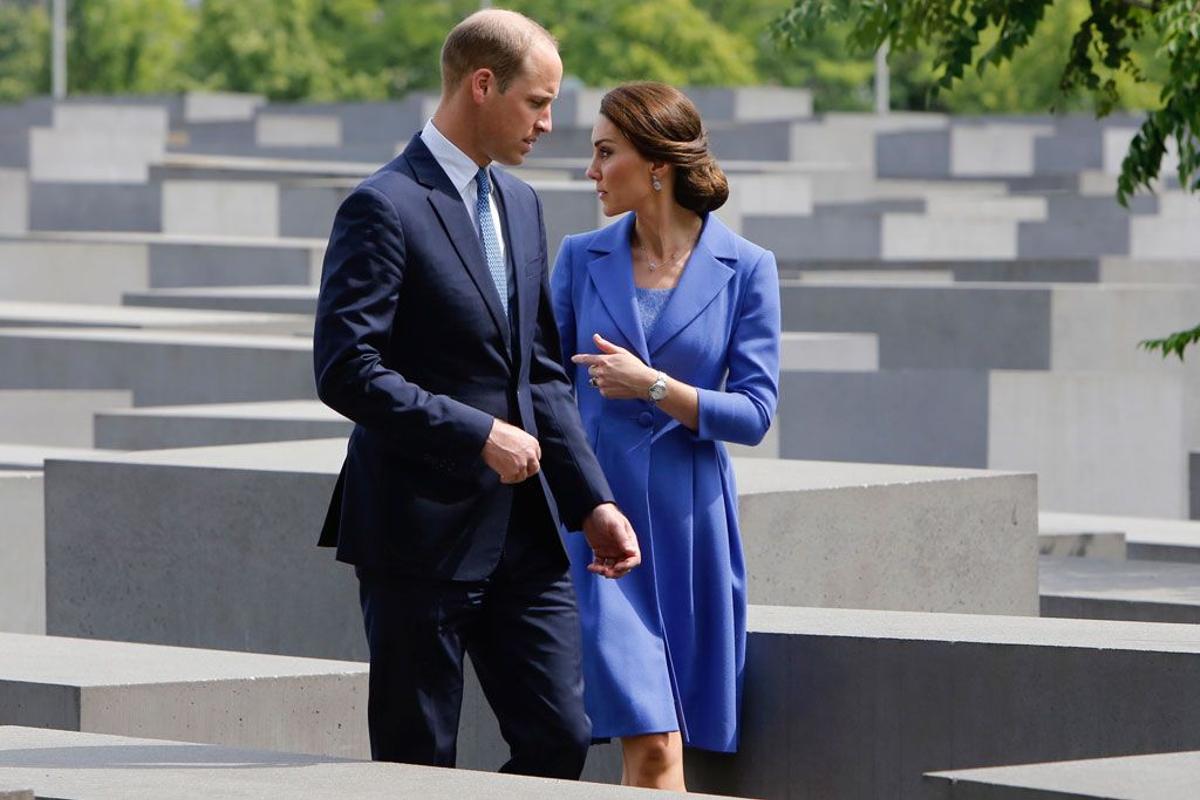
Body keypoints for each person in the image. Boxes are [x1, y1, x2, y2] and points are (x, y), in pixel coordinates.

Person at [312, 9, 641, 780]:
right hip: (416, 538)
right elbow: (345, 368)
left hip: (525, 538)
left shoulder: (522, 206)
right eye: (537, 102)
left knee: (561, 738)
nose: (550, 125)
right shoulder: (382, 205)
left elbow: (542, 372)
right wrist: (476, 435)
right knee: (418, 763)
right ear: (483, 85)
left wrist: (591, 500)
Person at [550, 82, 781, 790]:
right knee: (651, 742)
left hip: (692, 530)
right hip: (601, 533)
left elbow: (754, 412)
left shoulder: (747, 268)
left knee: (667, 746)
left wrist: (652, 384)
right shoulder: (577, 258)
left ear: (656, 164)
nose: (590, 171)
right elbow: (545, 394)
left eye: (604, 152)